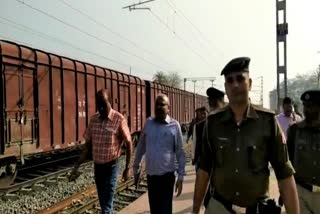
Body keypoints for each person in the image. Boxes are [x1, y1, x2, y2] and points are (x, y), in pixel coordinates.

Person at [192, 57, 299, 214]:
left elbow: (284, 175)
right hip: (219, 207)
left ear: (249, 83)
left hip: (256, 209)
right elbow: (204, 171)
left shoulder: (268, 122)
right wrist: (195, 210)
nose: (235, 84)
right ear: (225, 87)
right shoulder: (213, 123)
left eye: (240, 79)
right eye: (230, 80)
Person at [69, 89, 133, 214]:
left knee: (107, 205)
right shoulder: (93, 120)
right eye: (99, 105)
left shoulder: (119, 119)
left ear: (110, 102)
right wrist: (76, 167)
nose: (101, 109)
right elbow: (87, 146)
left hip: (112, 167)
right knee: (104, 202)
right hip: (98, 168)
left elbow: (129, 143)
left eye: (104, 104)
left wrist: (127, 168)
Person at [133, 94, 186, 214]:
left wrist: (181, 176)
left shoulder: (174, 125)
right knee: (155, 210)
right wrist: (136, 167)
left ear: (169, 108)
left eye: (162, 104)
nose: (158, 107)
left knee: (165, 210)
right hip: (151, 177)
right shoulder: (149, 123)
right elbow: (141, 147)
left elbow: (180, 152)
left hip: (167, 177)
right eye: (156, 104)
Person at [287, 90, 320, 214]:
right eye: (305, 105)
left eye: (310, 106)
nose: (306, 110)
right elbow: (287, 162)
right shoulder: (295, 131)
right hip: (301, 191)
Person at [192, 87, 225, 209]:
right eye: (211, 105)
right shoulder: (201, 126)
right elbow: (196, 143)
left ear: (222, 104)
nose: (213, 108)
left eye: (215, 104)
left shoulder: (230, 126)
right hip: (204, 167)